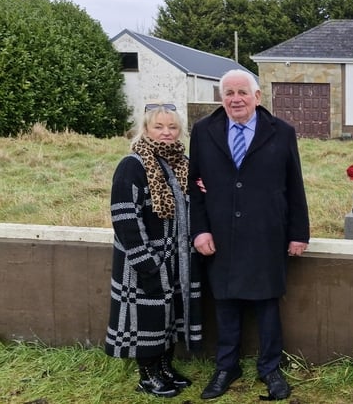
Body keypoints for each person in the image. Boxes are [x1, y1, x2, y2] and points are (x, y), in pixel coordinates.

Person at [188, 69, 310, 400]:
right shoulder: (203, 131)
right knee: (225, 303)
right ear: (221, 97)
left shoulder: (281, 132)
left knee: (267, 305)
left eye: (243, 92)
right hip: (221, 235)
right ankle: (227, 366)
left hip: (266, 233)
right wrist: (199, 231)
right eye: (229, 92)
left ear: (257, 97)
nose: (235, 98)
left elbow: (294, 185)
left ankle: (270, 369)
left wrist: (299, 233)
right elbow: (194, 187)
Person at [105, 103, 202, 398]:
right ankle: (148, 376)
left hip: (176, 259)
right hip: (145, 260)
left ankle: (165, 368)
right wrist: (146, 261)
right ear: (145, 129)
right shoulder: (132, 165)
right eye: (158, 127)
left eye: (172, 127)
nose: (166, 133)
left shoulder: (181, 163)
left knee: (168, 317)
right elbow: (125, 217)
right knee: (146, 320)